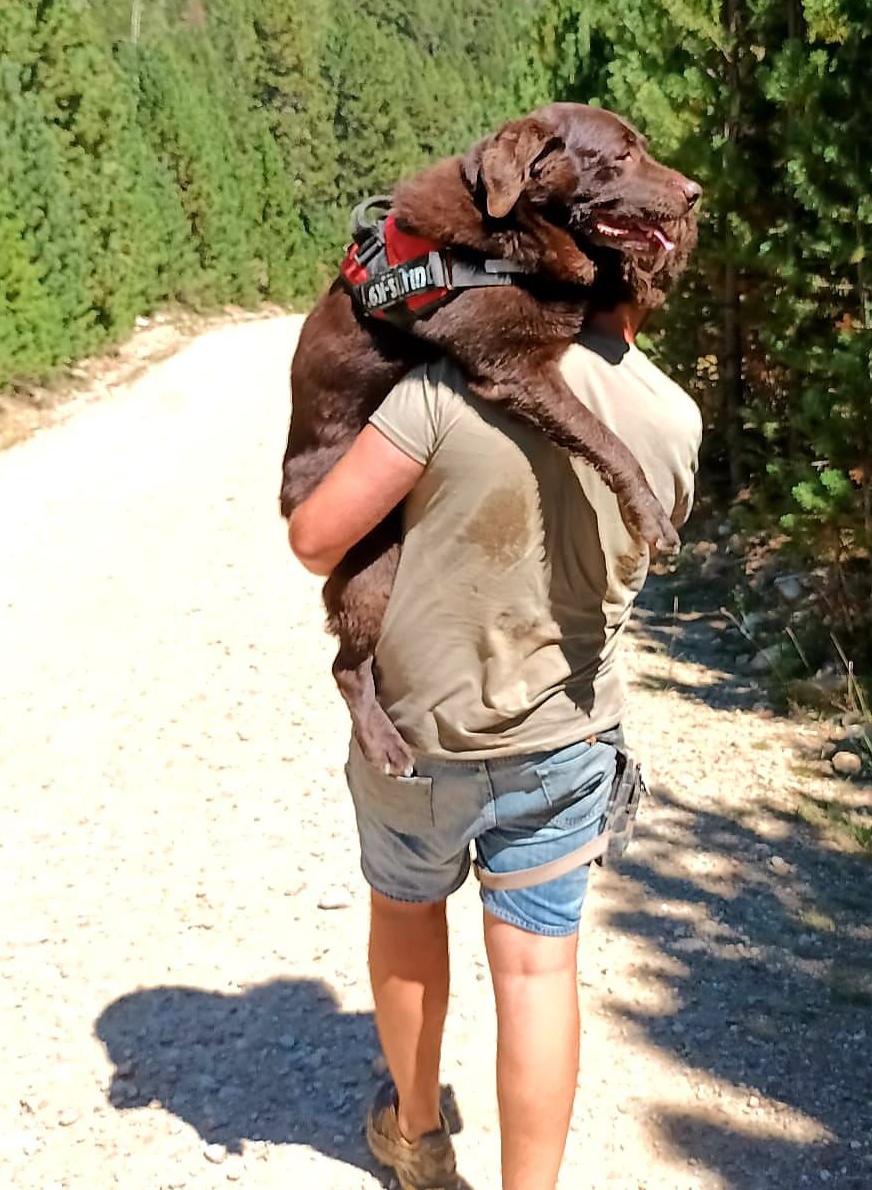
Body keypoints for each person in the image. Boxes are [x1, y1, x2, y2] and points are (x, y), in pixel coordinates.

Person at [286, 294, 702, 1190]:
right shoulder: (672, 415)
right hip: (565, 741)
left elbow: (316, 538)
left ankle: (418, 1135)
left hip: (415, 737)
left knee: (406, 914)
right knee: (538, 971)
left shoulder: (444, 389)